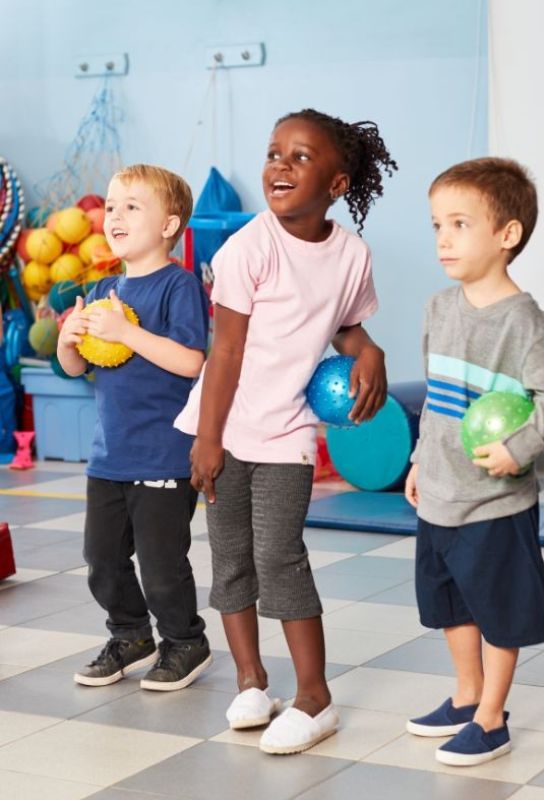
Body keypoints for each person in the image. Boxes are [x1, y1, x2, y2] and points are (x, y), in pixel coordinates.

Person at [175, 108, 397, 754]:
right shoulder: (248, 247)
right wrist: (209, 438)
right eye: (275, 153)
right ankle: (250, 681)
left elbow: (344, 325)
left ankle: (314, 697)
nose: (280, 166)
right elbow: (225, 351)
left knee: (279, 556)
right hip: (224, 426)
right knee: (230, 557)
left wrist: (370, 350)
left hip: (287, 432)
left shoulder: (350, 255)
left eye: (301, 157)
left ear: (336, 184)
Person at [404, 157, 544, 766]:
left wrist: (516, 449)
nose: (443, 239)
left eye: (460, 224)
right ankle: (466, 695)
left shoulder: (523, 324)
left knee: (499, 609)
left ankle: (492, 718)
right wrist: (420, 460)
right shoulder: (437, 308)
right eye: (437, 225)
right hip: (441, 492)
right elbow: (436, 400)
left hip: (495, 502)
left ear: (507, 234)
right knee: (450, 601)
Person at [57, 164, 211, 691]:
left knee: (161, 563)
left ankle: (185, 641)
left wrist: (125, 331)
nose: (114, 215)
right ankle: (130, 635)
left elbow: (191, 361)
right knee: (101, 559)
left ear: (169, 225)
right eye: (111, 206)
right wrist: (68, 340)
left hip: (164, 454)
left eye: (131, 206)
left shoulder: (179, 286)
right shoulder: (105, 288)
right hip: (110, 456)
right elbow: (77, 367)